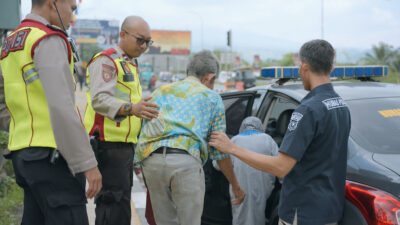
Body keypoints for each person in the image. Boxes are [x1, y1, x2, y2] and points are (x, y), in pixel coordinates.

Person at [209, 39, 351, 225]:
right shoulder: (341, 106)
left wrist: (231, 148)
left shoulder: (307, 110)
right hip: (330, 209)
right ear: (331, 67)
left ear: (304, 66)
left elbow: (281, 167)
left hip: (303, 211)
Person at [0, 0, 102, 224]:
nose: (72, 17)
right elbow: (62, 106)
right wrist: (87, 163)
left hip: (23, 153)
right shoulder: (47, 38)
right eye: (72, 8)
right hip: (52, 156)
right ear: (52, 3)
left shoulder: (10, 42)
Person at [135, 50, 245, 225]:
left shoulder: (160, 91)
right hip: (185, 164)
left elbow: (143, 127)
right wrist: (236, 186)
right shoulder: (212, 98)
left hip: (152, 162)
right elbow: (220, 151)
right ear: (210, 77)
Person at [83, 15, 159, 225]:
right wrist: (132, 108)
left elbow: (125, 99)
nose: (144, 46)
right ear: (123, 35)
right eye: (140, 40)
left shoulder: (130, 64)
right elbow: (100, 99)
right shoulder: (107, 60)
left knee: (121, 205)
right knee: (112, 205)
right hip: (108, 145)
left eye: (148, 42)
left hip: (124, 146)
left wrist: (141, 105)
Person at [230, 116, 278, 225]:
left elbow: (218, 165)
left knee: (239, 215)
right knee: (258, 214)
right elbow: (280, 165)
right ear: (260, 127)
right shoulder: (268, 140)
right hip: (261, 187)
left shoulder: (234, 140)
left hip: (238, 188)